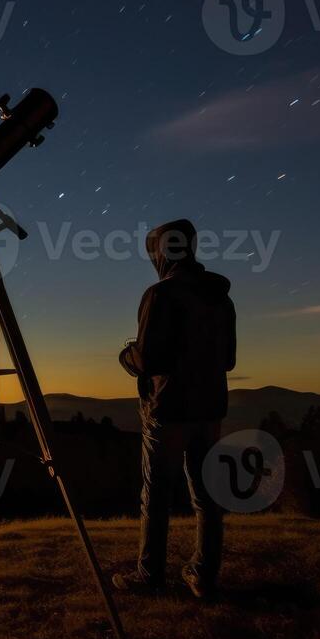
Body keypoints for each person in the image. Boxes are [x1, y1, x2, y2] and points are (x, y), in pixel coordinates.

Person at [112, 219, 237, 600]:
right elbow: (229, 360)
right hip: (210, 407)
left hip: (168, 408)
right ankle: (204, 573)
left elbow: (148, 358)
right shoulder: (221, 297)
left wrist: (125, 355)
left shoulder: (159, 294)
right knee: (207, 494)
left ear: (163, 252)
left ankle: (149, 576)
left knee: (157, 495)